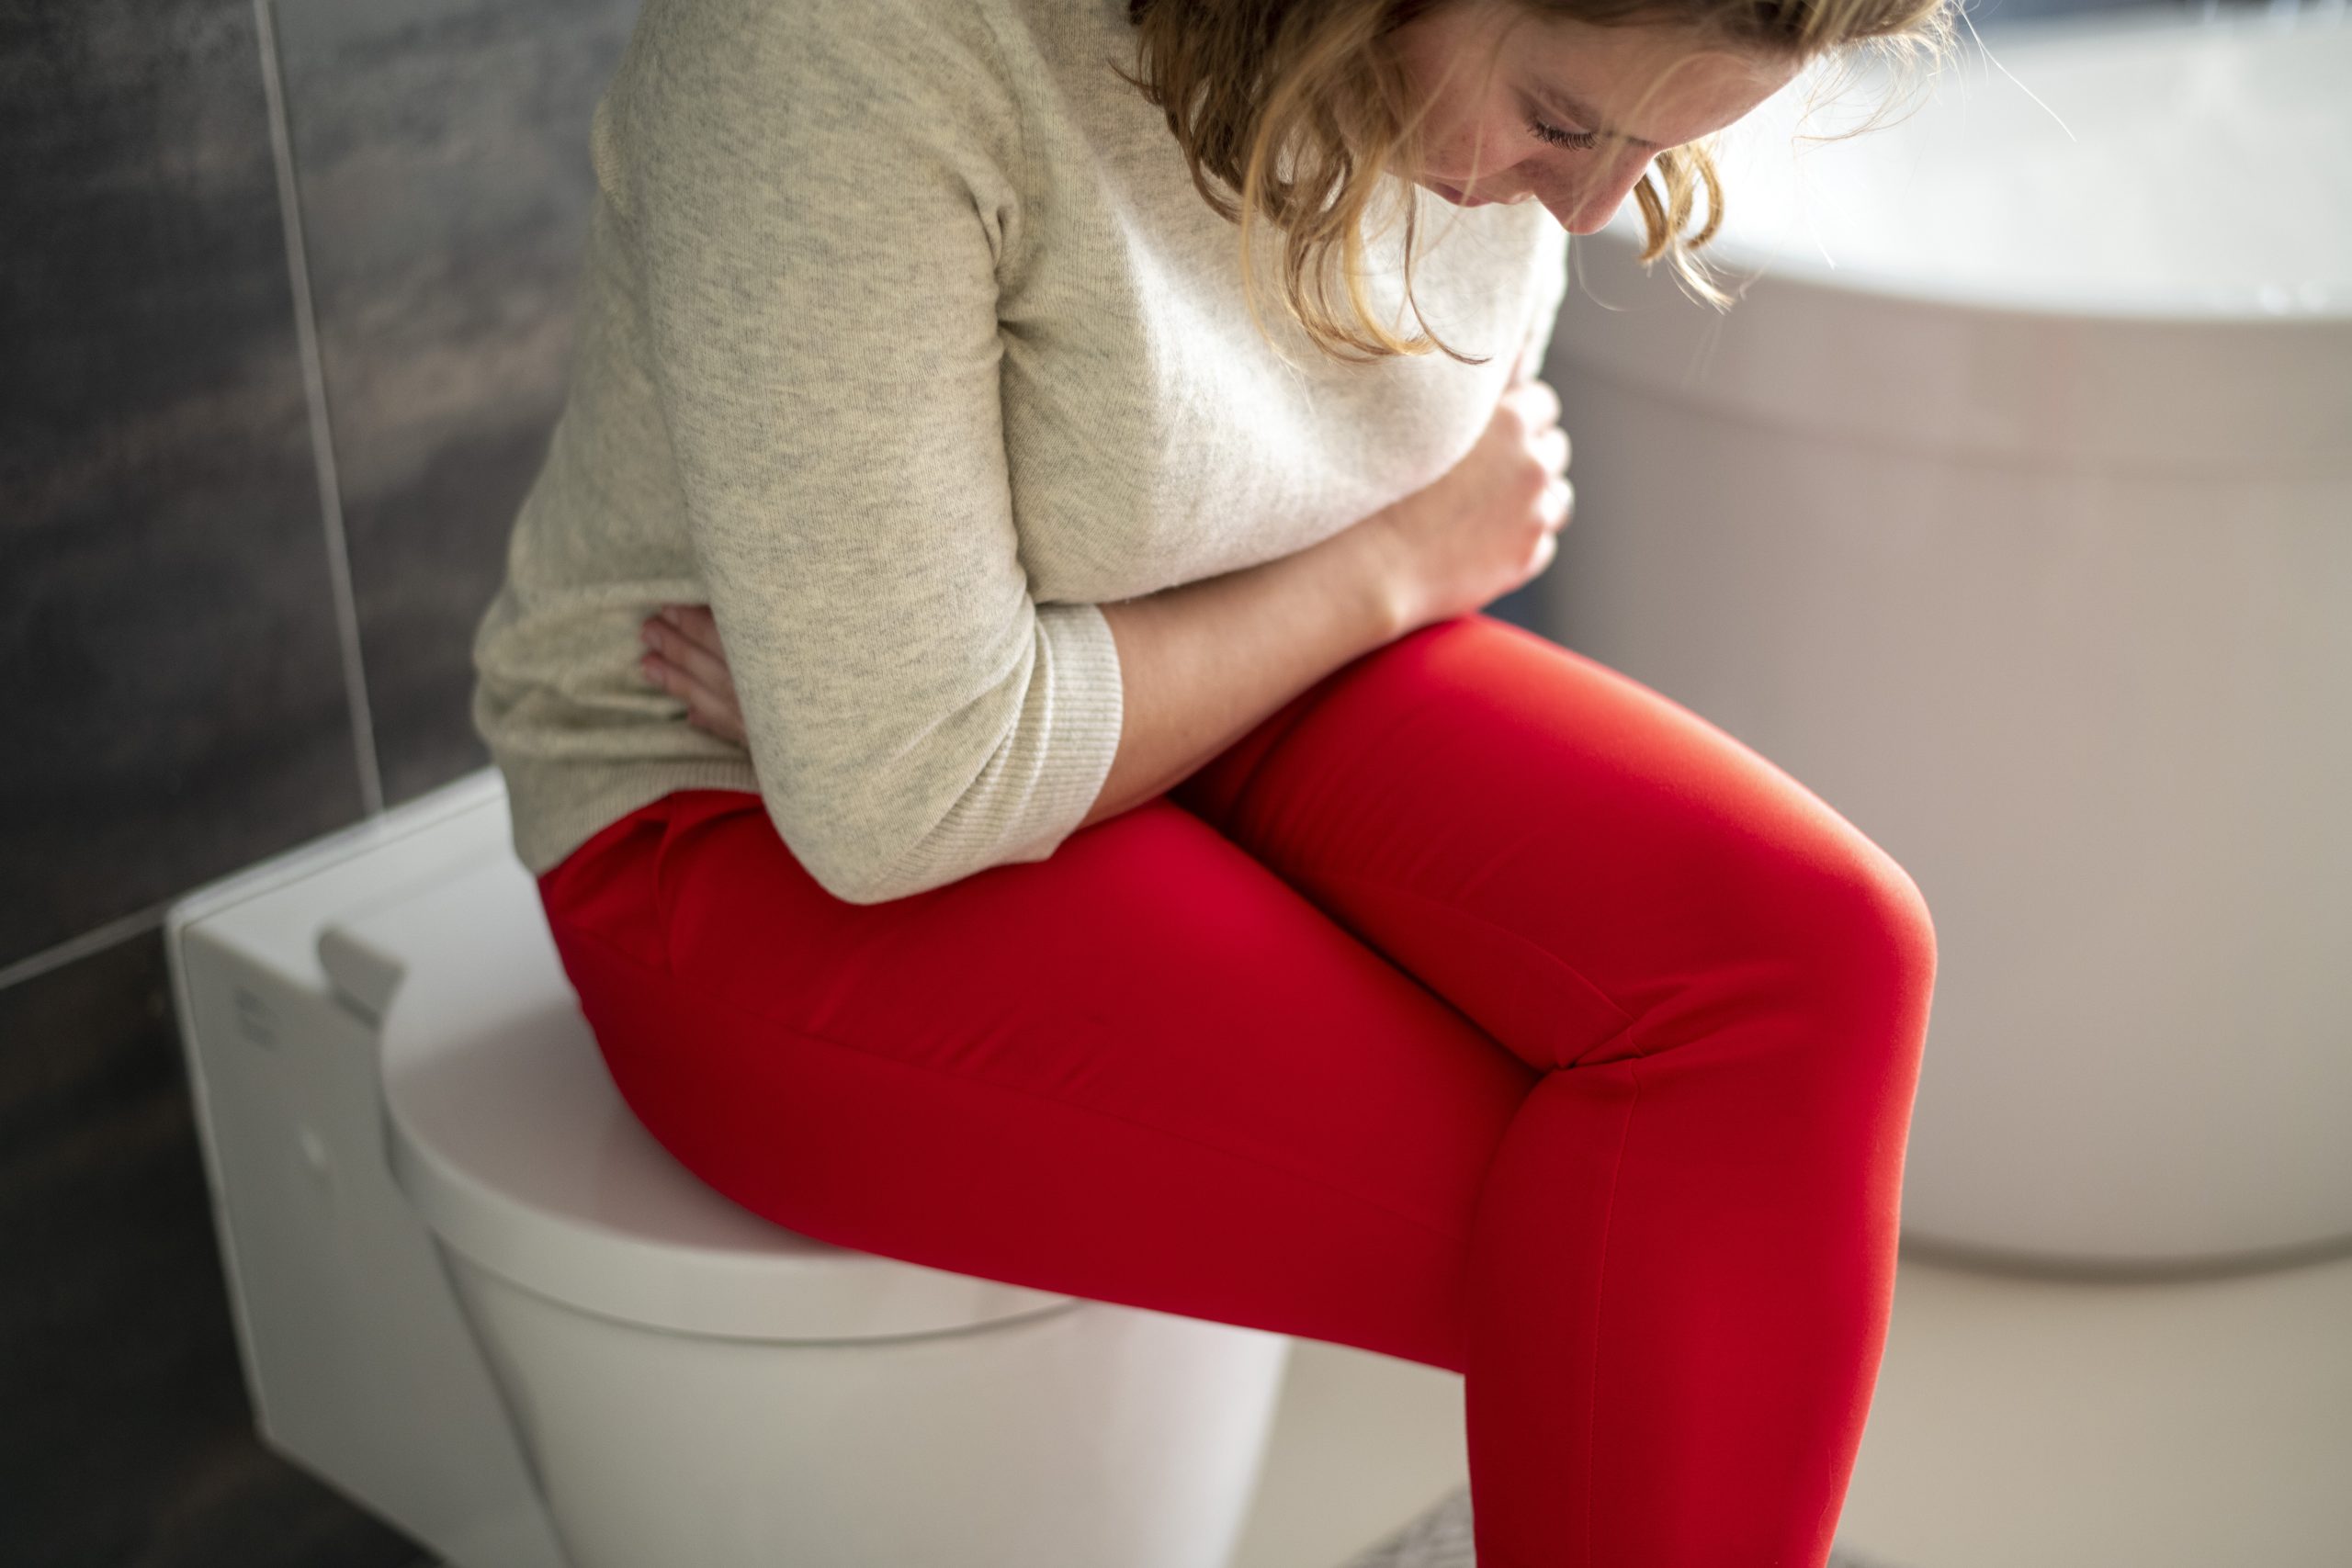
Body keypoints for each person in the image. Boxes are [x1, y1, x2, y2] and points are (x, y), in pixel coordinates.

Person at [471, 0, 1955, 1562]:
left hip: (1192, 668)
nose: (1591, 210)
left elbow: (985, 708)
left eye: (1661, 150)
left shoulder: (1505, 101)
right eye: (1565, 124)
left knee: (1824, 961)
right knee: (1651, 1236)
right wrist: (1392, 563)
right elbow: (903, 789)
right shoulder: (847, 44)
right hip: (723, 807)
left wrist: (1014, 716)